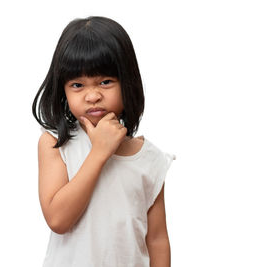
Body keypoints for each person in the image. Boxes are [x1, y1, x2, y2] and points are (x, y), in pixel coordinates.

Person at [32, 16, 176, 267]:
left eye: (105, 82)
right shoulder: (56, 145)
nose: (93, 95)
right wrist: (99, 152)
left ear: (127, 82)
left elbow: (157, 240)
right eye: (77, 85)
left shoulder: (151, 160)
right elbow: (58, 220)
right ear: (63, 91)